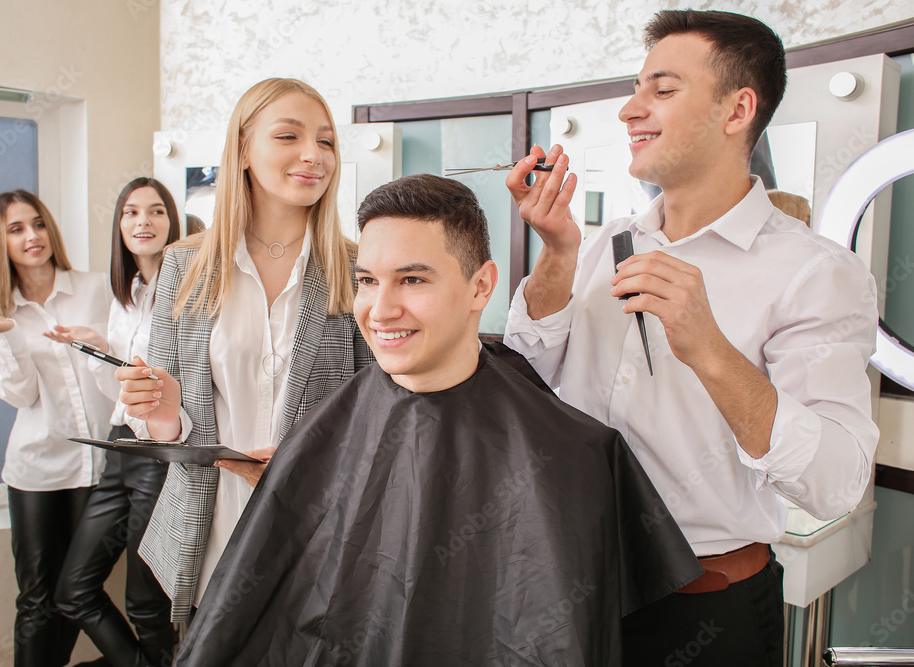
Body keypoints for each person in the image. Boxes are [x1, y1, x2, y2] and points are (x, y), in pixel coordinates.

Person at [172, 174, 702, 667]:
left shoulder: (574, 455)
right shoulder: (323, 433)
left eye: (411, 280)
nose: (380, 310)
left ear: (480, 287)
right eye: (367, 281)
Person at [503, 10, 879, 666]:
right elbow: (529, 375)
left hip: (704, 610)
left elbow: (835, 483)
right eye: (636, 87)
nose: (629, 109)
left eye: (662, 90)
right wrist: (558, 255)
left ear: (738, 110)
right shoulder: (606, 244)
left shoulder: (817, 272)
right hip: (570, 587)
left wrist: (710, 349)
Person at [115, 78, 374, 624]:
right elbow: (169, 426)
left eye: (326, 142)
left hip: (320, 522)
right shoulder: (183, 268)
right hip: (209, 523)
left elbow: (380, 411)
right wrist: (161, 414)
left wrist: (306, 465)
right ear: (242, 151)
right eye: (289, 136)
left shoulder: (358, 270)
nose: (313, 155)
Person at [0, 190, 114, 667]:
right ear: (0, 242)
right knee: (36, 597)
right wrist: (6, 336)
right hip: (36, 471)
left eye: (38, 224)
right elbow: (20, 396)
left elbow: (122, 368)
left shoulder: (98, 288)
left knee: (74, 594)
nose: (32, 236)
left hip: (98, 468)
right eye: (16, 229)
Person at [48, 178, 181, 666]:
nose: (142, 222)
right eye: (130, 212)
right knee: (74, 590)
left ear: (173, 222)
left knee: (147, 607)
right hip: (118, 445)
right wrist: (101, 350)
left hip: (160, 454)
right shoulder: (124, 294)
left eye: (155, 211)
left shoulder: (186, 289)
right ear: (119, 226)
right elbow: (117, 395)